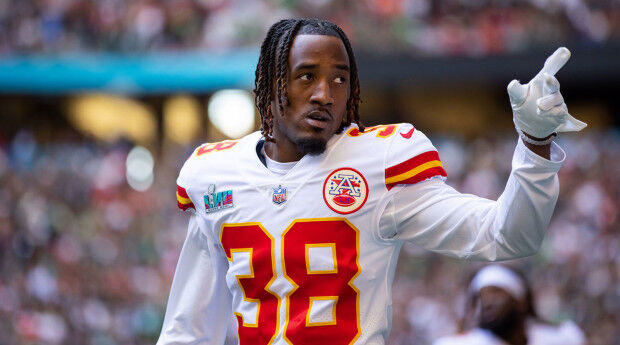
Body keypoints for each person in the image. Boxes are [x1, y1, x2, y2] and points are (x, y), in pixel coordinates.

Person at [157, 18, 586, 345]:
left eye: (340, 79)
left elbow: (506, 236)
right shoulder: (214, 175)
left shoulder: (380, 162)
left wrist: (534, 144)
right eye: (307, 75)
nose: (325, 93)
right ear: (272, 84)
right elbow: (187, 331)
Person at [433, 265, 586, 345]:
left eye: (496, 293)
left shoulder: (561, 339)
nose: (487, 302)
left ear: (521, 301)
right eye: (481, 297)